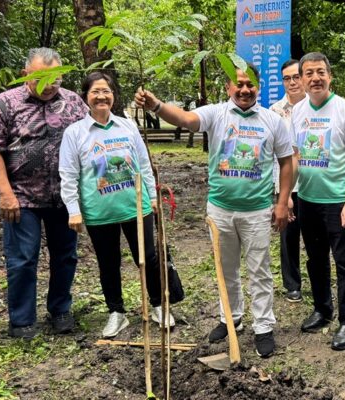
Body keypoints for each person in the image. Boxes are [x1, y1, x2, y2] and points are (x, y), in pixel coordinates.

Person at [135, 63, 293, 358]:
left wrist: (282, 202)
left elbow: (286, 162)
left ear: (259, 87)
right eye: (239, 84)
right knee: (226, 269)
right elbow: (185, 118)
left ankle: (263, 326)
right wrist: (156, 105)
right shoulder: (216, 113)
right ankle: (230, 319)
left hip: (257, 211)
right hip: (219, 210)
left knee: (259, 270)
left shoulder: (273, 121)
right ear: (228, 87)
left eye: (250, 84)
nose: (245, 89)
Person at [0, 48, 88, 339]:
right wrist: (5, 193)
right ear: (26, 74)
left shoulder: (74, 102)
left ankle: (61, 310)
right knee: (23, 259)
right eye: (41, 77)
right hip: (21, 196)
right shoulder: (5, 103)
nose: (49, 84)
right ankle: (22, 320)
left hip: (64, 196)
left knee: (66, 256)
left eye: (55, 77)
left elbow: (89, 141)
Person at [59, 72, 174, 338]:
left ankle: (158, 306)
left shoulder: (127, 126)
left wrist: (153, 197)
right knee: (107, 262)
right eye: (95, 91)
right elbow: (68, 174)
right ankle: (117, 313)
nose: (101, 96)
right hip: (99, 211)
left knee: (147, 258)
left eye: (106, 91)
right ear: (86, 96)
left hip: (136, 206)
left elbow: (143, 164)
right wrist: (73, 210)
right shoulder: (75, 133)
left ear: (114, 95)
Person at [292, 52, 345, 351]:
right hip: (307, 199)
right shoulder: (298, 111)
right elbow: (295, 155)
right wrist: (285, 196)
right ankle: (323, 309)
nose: (315, 78)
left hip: (337, 201)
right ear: (302, 79)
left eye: (320, 72)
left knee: (344, 262)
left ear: (330, 76)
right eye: (308, 73)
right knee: (315, 259)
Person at [270, 59, 306, 303]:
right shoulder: (274, 112)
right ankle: (292, 284)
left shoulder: (318, 107)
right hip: (286, 186)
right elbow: (274, 157)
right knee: (288, 237)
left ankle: (320, 279)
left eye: (296, 76)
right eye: (287, 78)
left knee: (317, 237)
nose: (292, 82)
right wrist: (282, 193)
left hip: (316, 186)